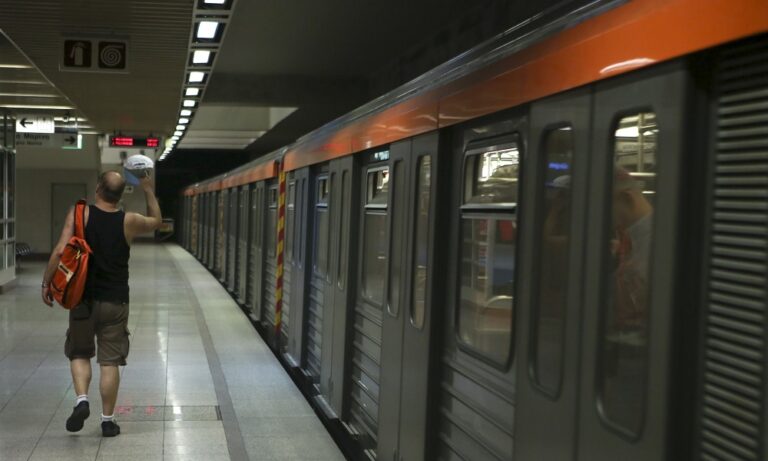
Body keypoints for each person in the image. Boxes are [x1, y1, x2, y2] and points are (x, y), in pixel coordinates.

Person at [41, 170, 162, 437]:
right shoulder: (128, 220)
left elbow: (60, 251)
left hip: (82, 297)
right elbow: (156, 221)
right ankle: (107, 421)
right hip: (115, 300)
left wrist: (47, 283)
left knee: (79, 353)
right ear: (119, 196)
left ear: (98, 189)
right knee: (109, 362)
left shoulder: (79, 214)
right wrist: (147, 189)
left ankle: (82, 400)